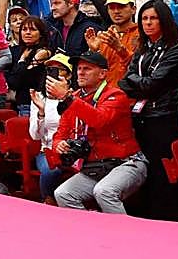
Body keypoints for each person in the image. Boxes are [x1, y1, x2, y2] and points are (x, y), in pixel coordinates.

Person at [50, 52, 148, 214]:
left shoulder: (115, 95)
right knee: (63, 193)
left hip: (127, 163)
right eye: (79, 68)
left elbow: (99, 120)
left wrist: (67, 98)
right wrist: (58, 145)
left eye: (87, 69)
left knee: (104, 191)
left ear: (102, 74)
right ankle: (89, 233)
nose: (80, 72)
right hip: (95, 166)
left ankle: (127, 236)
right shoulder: (73, 98)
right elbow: (60, 134)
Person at [118, 1, 178, 221]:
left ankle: (168, 217)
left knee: (163, 171)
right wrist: (138, 80)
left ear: (164, 21)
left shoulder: (176, 49)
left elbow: (152, 84)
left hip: (164, 118)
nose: (148, 23)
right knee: (145, 169)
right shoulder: (142, 48)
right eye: (145, 19)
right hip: (142, 116)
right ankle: (146, 214)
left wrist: (135, 80)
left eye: (153, 18)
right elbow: (125, 83)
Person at [29, 53, 71, 202]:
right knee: (50, 171)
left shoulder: (76, 97)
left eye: (60, 69)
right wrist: (41, 112)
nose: (54, 73)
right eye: (51, 69)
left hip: (74, 149)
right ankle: (48, 202)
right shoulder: (39, 97)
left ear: (70, 75)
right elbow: (35, 135)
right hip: (47, 150)